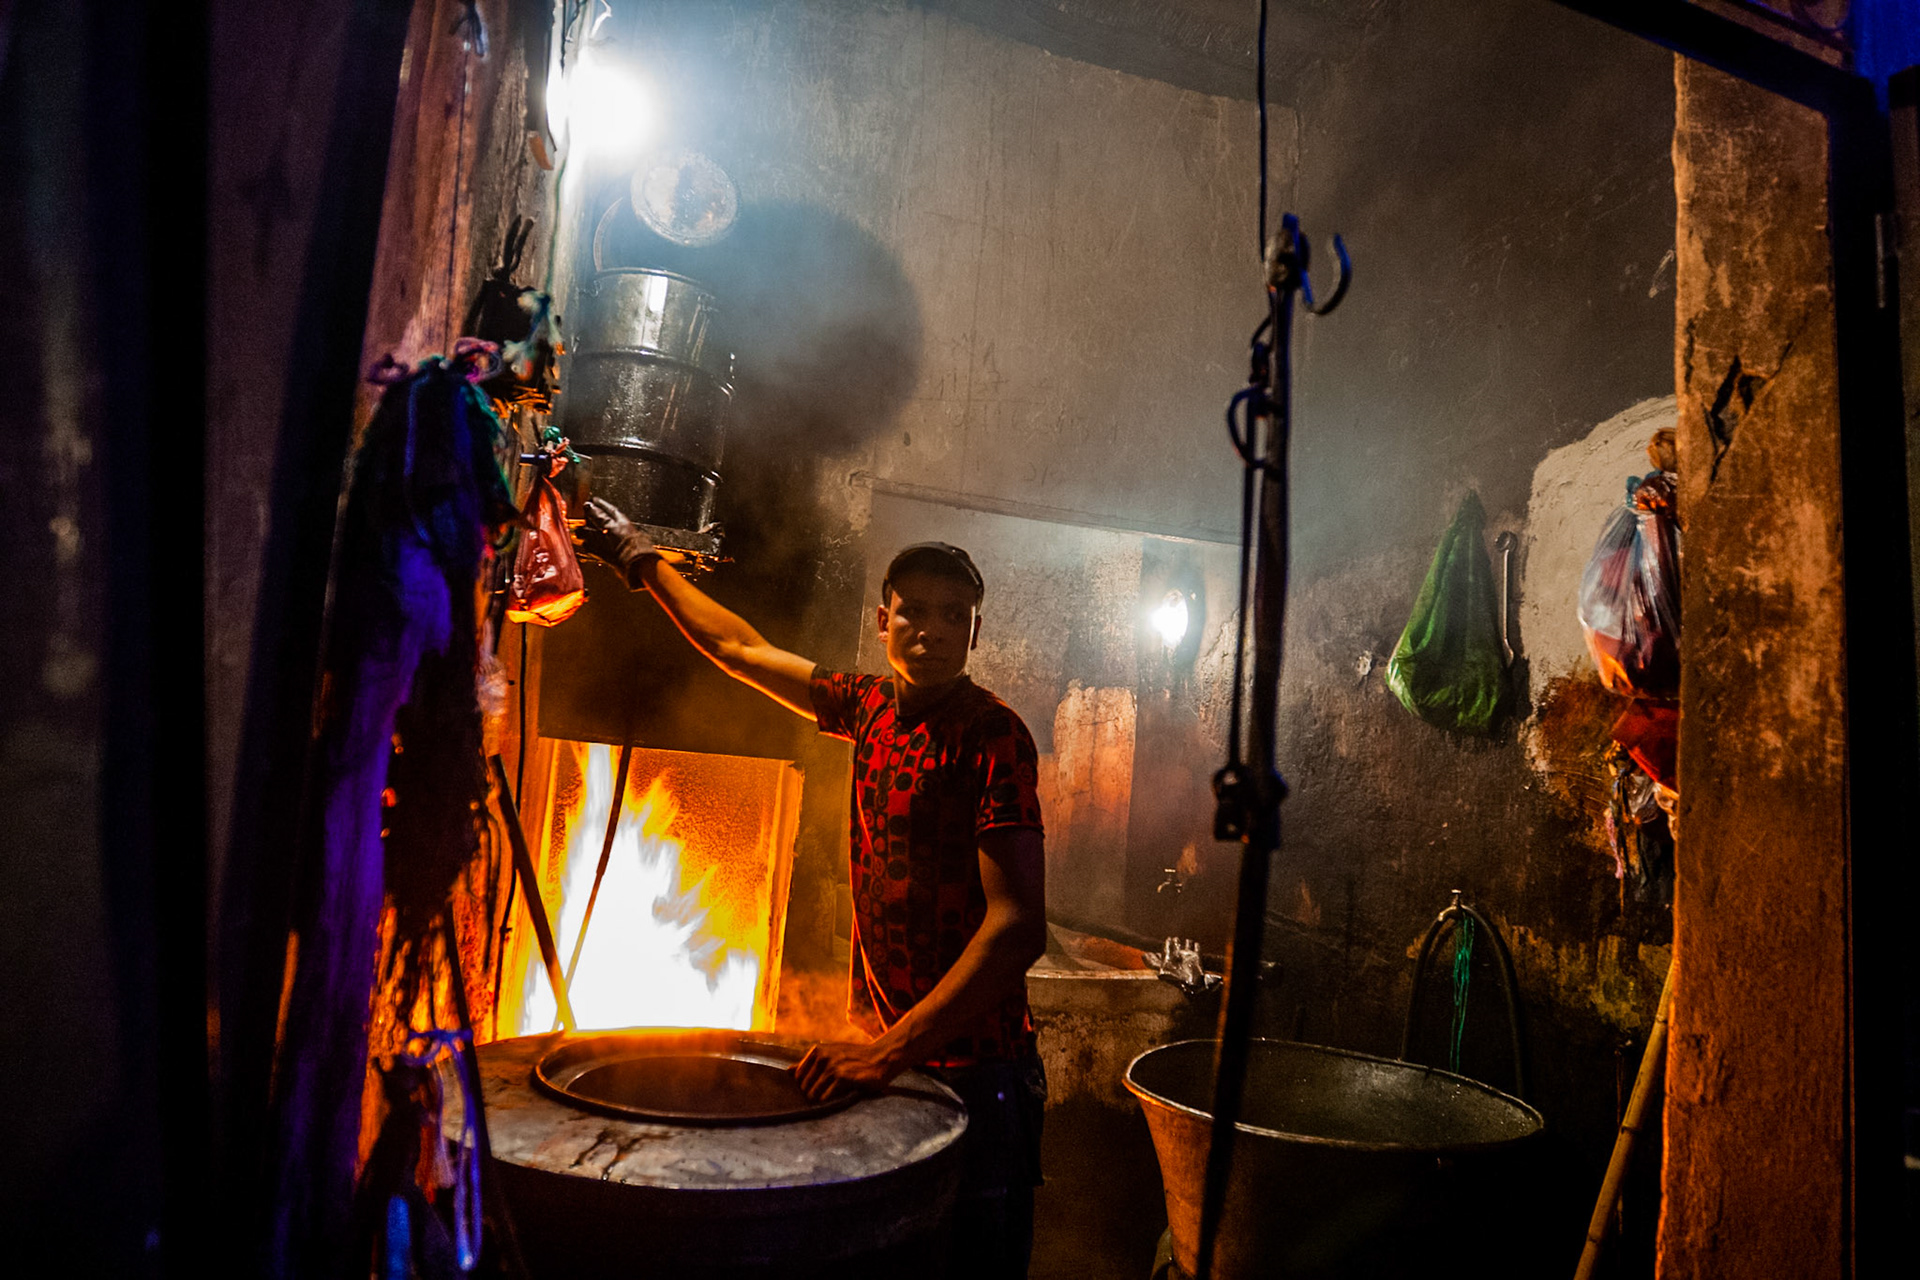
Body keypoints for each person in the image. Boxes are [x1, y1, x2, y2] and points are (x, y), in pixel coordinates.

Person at [577, 498, 1049, 1277]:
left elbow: (1017, 926)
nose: (930, 630)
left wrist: (888, 1051)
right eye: (913, 612)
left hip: (978, 1076)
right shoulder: (868, 708)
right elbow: (738, 647)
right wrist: (638, 557)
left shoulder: (994, 734)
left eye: (953, 615)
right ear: (882, 619)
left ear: (975, 631)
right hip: (891, 1067)